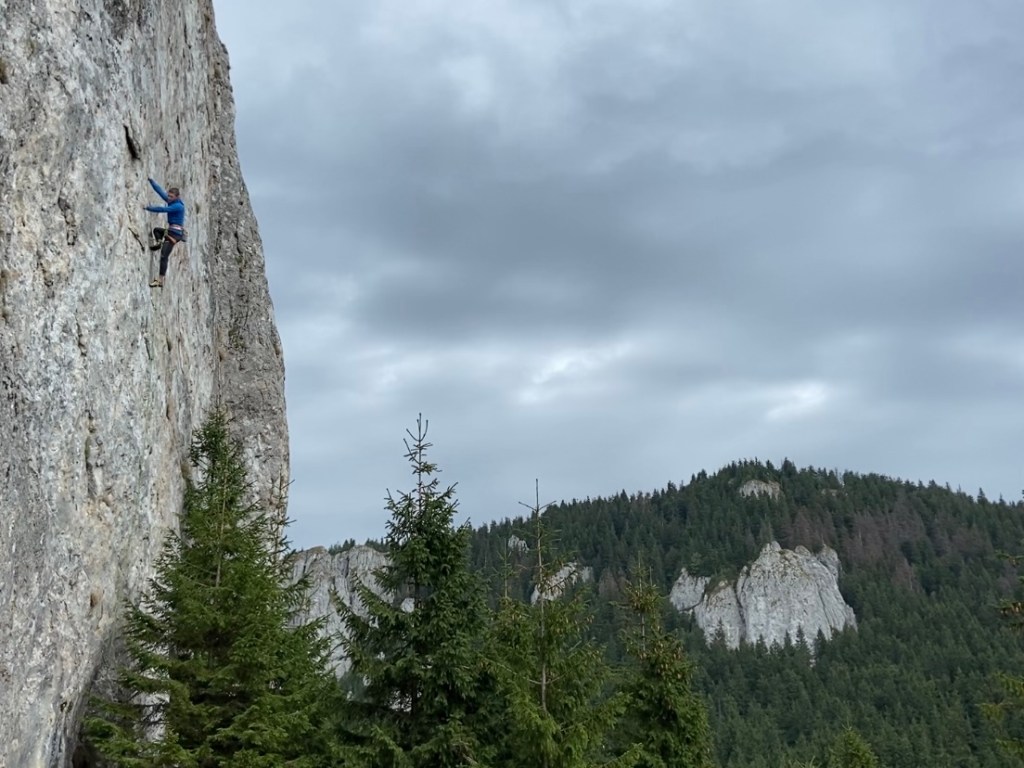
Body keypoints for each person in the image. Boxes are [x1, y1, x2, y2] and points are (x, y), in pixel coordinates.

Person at [142, 177, 186, 288]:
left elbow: (163, 210)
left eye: (171, 197)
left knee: (164, 256)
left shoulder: (178, 206)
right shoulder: (172, 202)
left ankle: (160, 280)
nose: (169, 198)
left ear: (177, 197)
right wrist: (151, 181)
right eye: (169, 196)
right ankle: (158, 243)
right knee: (156, 231)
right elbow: (160, 192)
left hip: (174, 233)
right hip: (172, 231)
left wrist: (148, 208)